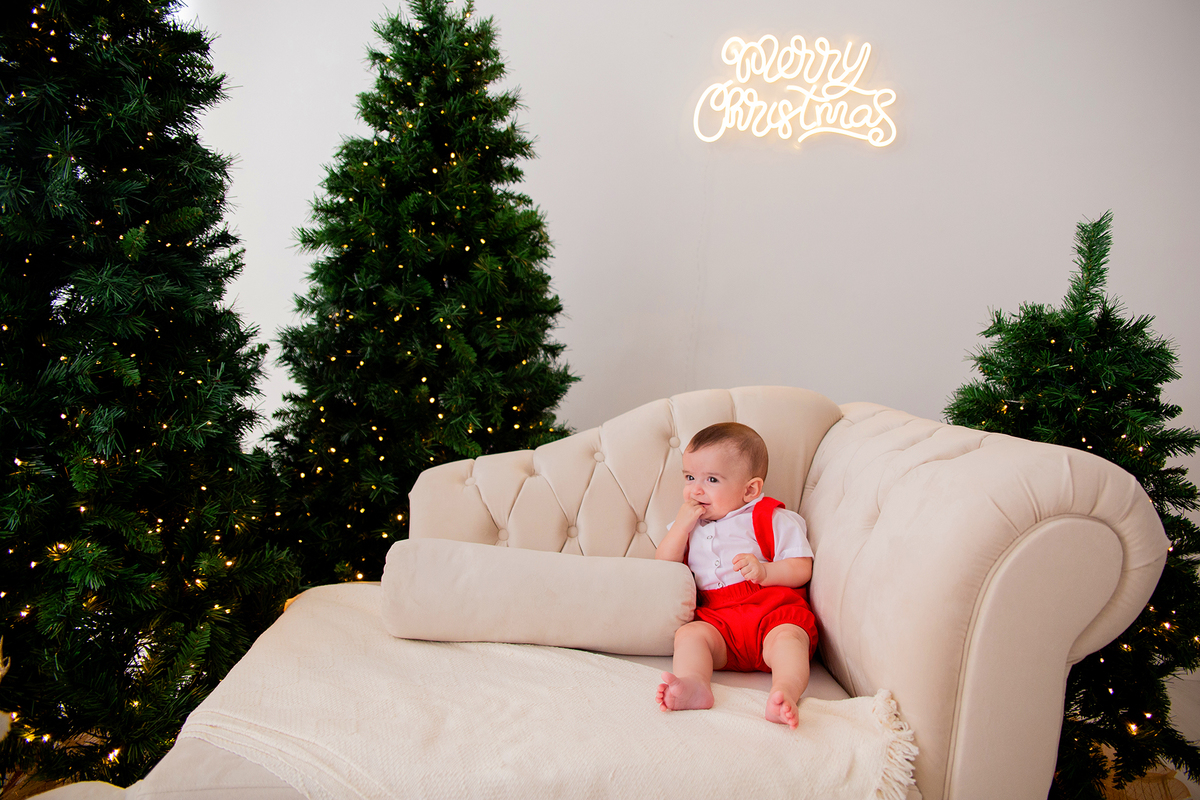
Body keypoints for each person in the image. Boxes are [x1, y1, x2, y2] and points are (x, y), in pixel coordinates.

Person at [654, 422, 818, 728]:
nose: (696, 489)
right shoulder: (687, 527)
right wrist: (680, 527)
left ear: (750, 489)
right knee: (689, 635)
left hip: (772, 610)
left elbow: (801, 567)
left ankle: (785, 691)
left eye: (711, 479)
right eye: (689, 477)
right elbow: (663, 564)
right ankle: (695, 685)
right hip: (718, 620)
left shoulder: (772, 517)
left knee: (789, 640)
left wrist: (766, 571)